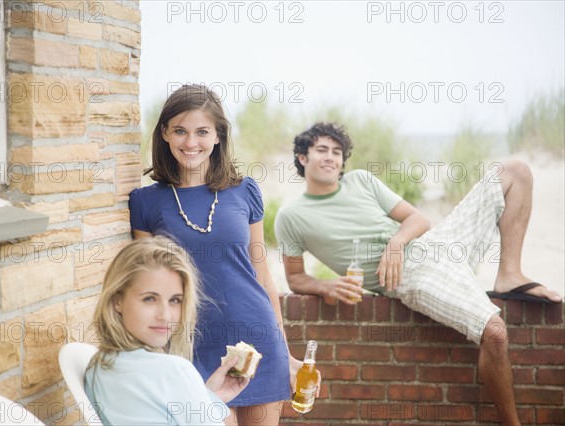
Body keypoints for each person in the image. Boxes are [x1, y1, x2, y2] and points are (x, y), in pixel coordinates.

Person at [275, 122, 563, 426]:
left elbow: (418, 218)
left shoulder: (360, 180)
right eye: (322, 150)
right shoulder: (291, 216)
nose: (331, 157)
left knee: (515, 171)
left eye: (337, 151)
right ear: (302, 158)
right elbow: (295, 278)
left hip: (435, 243)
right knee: (494, 332)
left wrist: (397, 243)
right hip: (412, 276)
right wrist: (325, 286)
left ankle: (509, 273)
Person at [129, 84, 313, 425]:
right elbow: (145, 286)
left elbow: (262, 275)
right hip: (191, 348)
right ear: (165, 134)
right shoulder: (145, 202)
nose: (190, 142)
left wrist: (286, 355)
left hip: (258, 340)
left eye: (202, 131)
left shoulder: (245, 190)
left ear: (218, 136)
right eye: (180, 131)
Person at [84, 236, 250, 425]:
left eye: (175, 300)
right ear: (117, 300)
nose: (165, 315)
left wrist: (207, 396)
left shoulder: (97, 367)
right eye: (149, 299)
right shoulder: (174, 371)